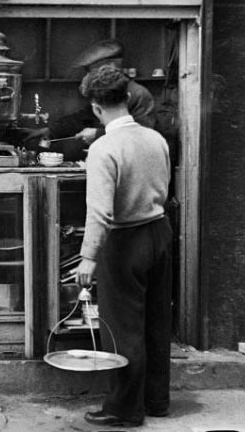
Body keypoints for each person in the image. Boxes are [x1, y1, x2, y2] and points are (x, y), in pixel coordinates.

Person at [72, 65, 172, 427]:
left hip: (125, 240)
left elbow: (100, 211)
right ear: (128, 98)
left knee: (122, 328)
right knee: (157, 322)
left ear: (96, 108)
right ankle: (157, 401)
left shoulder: (103, 149)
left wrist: (88, 258)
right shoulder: (155, 139)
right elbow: (164, 189)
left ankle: (124, 410)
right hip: (160, 232)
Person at [23, 39, 156, 160]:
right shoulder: (104, 91)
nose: (87, 76)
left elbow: (142, 137)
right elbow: (82, 117)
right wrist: (50, 130)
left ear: (110, 66)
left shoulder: (139, 94)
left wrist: (98, 134)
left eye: (91, 71)